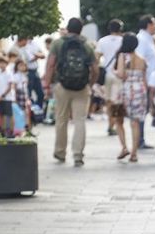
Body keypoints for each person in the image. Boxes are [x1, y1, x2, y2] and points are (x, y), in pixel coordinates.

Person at [43, 18, 99, 166]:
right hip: (82, 87)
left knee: (61, 119)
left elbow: (50, 65)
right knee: (80, 120)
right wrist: (90, 83)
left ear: (67, 28)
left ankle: (60, 152)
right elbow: (95, 69)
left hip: (62, 85)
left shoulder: (58, 43)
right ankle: (78, 155)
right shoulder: (87, 45)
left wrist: (47, 84)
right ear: (81, 30)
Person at [115, 33, 147, 162]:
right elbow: (145, 79)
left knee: (118, 119)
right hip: (140, 91)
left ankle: (124, 147)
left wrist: (115, 72)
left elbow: (121, 74)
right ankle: (134, 153)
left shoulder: (123, 56)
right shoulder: (142, 59)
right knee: (135, 123)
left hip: (124, 91)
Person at [96, 19, 124, 137]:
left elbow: (97, 57)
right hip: (119, 74)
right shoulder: (123, 41)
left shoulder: (102, 41)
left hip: (107, 74)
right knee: (118, 101)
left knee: (108, 101)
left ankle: (110, 124)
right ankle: (116, 124)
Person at [136, 14, 155, 150]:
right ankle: (139, 139)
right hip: (146, 81)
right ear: (148, 25)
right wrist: (144, 82)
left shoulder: (149, 39)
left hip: (151, 80)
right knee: (142, 112)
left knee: (146, 111)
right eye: (154, 23)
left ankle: (141, 138)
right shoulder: (142, 39)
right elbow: (140, 62)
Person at [11, 37, 46, 109]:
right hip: (27, 72)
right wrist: (37, 56)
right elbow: (28, 59)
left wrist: (36, 55)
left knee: (40, 93)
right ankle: (30, 111)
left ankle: (38, 110)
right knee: (28, 93)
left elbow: (42, 55)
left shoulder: (34, 44)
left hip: (35, 70)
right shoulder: (18, 48)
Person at [0, 55, 15, 138]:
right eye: (0, 63)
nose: (1, 65)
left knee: (9, 115)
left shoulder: (9, 73)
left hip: (7, 97)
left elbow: (10, 86)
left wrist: (2, 95)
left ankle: (11, 131)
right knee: (1, 115)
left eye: (3, 63)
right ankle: (2, 131)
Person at [13, 59, 32, 134]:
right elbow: (14, 87)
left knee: (27, 112)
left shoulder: (25, 76)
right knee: (20, 112)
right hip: (19, 93)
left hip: (25, 94)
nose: (22, 67)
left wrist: (27, 97)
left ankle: (26, 128)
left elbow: (26, 88)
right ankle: (20, 129)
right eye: (20, 65)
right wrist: (14, 97)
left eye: (23, 65)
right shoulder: (15, 75)